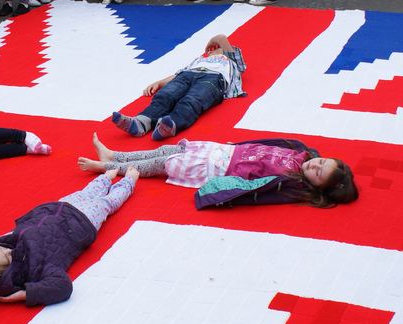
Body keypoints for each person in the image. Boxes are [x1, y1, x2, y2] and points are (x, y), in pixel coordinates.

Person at [0, 167, 139, 307]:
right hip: (80, 224)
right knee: (106, 203)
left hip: (55, 210)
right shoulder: (33, 270)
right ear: (5, 272)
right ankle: (128, 182)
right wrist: (27, 294)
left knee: (86, 192)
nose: (5, 249)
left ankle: (106, 176)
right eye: (6, 256)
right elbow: (63, 286)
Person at [79, 134, 358, 208]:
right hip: (220, 151)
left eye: (319, 173)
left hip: (217, 166)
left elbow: (258, 191)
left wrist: (223, 194)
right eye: (323, 161)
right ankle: (114, 155)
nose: (315, 165)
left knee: (158, 166)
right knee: (164, 152)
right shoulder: (301, 153)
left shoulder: (291, 183)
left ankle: (104, 168)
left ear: (316, 186)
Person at [111, 33, 245, 140]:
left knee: (193, 100)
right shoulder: (199, 60)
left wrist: (212, 42)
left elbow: (221, 38)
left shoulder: (231, 60)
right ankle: (140, 123)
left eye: (217, 48)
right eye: (212, 50)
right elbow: (179, 74)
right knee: (165, 95)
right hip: (188, 74)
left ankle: (171, 125)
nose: (212, 51)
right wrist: (159, 82)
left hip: (213, 78)